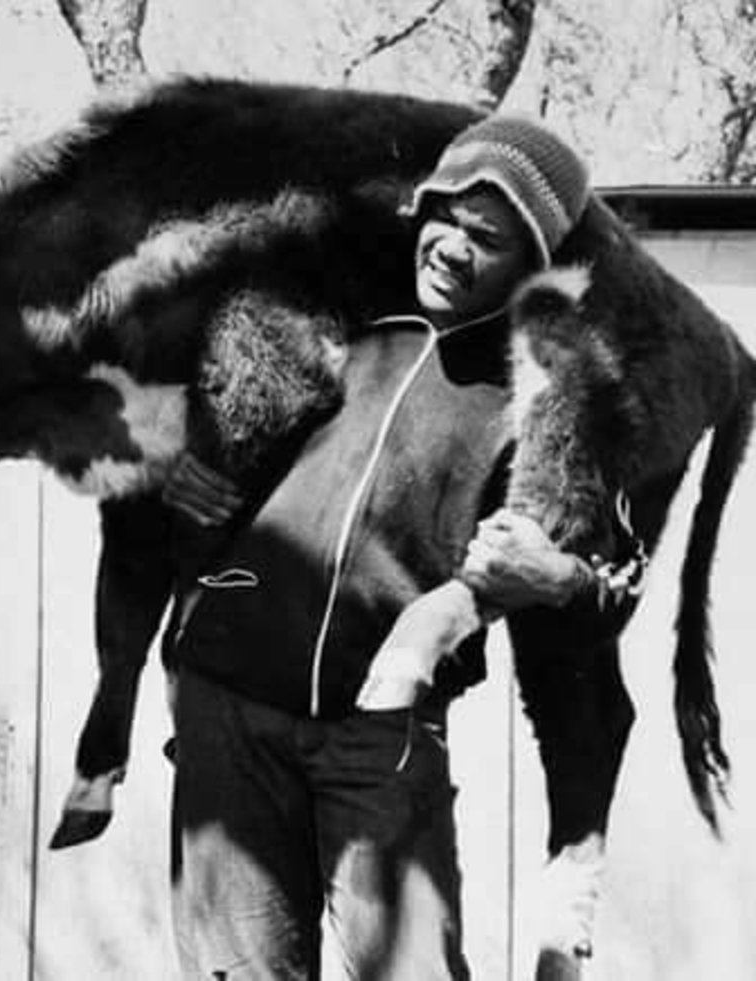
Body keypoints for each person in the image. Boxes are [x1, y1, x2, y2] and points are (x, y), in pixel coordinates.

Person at [162, 116, 629, 980]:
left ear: (533, 261)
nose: (452, 246)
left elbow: (610, 578)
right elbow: (219, 441)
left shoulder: (548, 394)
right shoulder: (339, 324)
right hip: (229, 708)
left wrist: (552, 576)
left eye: (488, 238)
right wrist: (180, 475)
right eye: (445, 216)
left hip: (380, 737)